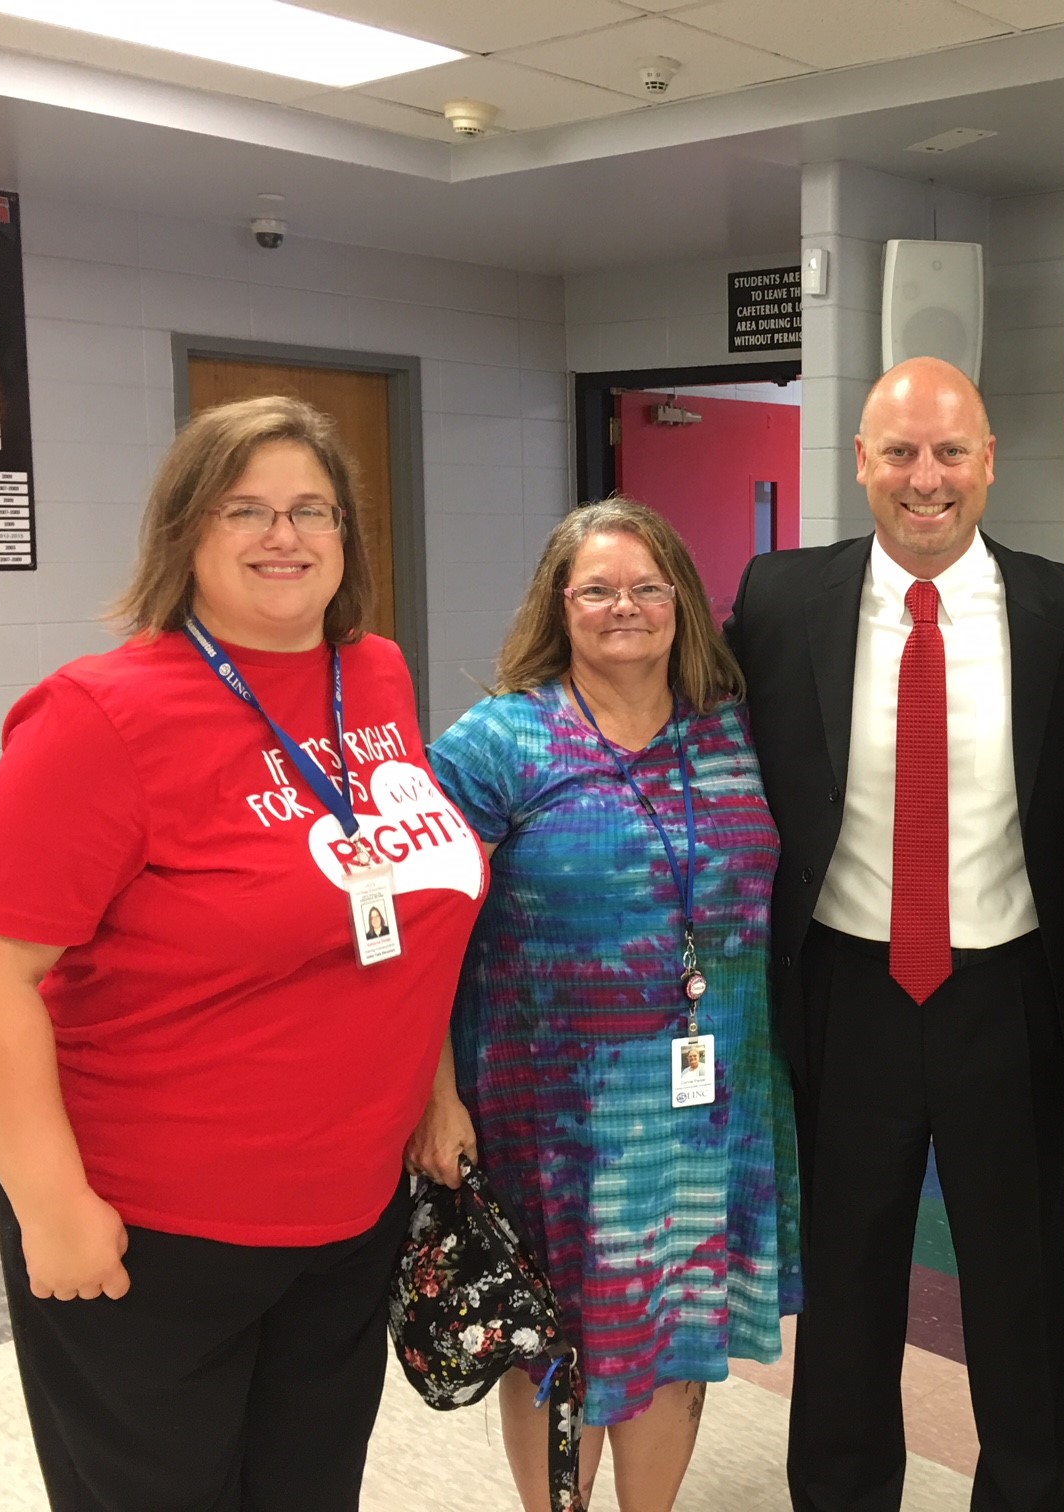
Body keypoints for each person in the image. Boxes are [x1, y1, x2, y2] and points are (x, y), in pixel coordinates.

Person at [0, 395, 487, 1511]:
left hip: (347, 1216)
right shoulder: (99, 717)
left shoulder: (375, 674)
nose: (282, 536)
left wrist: (431, 1090)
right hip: (157, 1233)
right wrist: (51, 1207)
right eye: (245, 508)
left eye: (312, 510)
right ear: (184, 533)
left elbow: (397, 908)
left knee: (307, 1491)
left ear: (348, 537)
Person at [726, 357, 1064, 1512]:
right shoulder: (781, 596)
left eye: (951, 451)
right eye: (899, 452)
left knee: (1021, 1279)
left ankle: (1033, 1491)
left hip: (1009, 995)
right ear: (859, 462)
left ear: (991, 463)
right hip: (846, 990)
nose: (926, 478)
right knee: (848, 1281)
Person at [413, 497, 800, 1512]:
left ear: (682, 600)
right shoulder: (499, 743)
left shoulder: (735, 733)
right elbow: (423, 936)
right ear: (559, 604)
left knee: (679, 1333)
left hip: (709, 1103)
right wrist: (434, 1099)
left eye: (645, 586)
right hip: (552, 1117)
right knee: (554, 1344)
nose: (623, 606)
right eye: (597, 589)